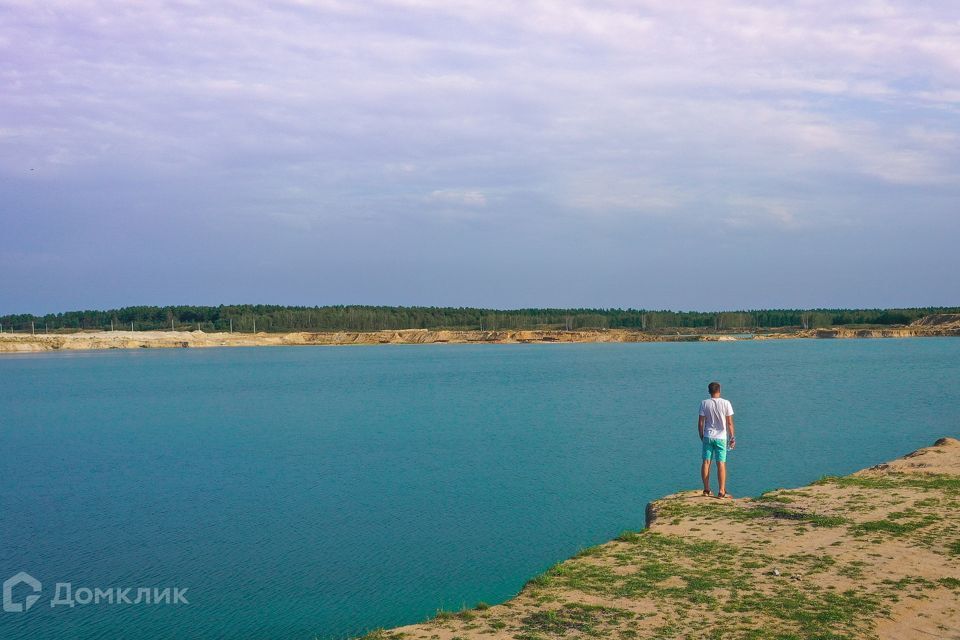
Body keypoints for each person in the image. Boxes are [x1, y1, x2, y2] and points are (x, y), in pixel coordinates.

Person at [698, 381, 735, 498]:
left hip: (708, 436)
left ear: (709, 391)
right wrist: (732, 437)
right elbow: (729, 423)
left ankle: (706, 489)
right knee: (721, 463)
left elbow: (700, 422)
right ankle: (721, 491)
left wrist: (701, 435)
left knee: (706, 462)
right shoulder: (726, 403)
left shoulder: (704, 403)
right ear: (719, 390)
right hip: (721, 437)